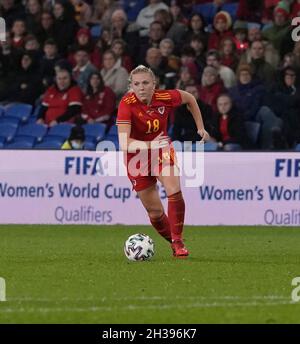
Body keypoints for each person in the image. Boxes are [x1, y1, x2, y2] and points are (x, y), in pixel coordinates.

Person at [116, 65, 210, 258]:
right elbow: (124, 143)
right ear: (131, 86)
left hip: (161, 151)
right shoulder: (126, 104)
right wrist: (150, 145)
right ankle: (173, 241)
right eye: (136, 84)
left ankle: (178, 241)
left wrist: (200, 127)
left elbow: (190, 99)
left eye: (145, 83)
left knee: (173, 187)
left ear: (154, 84)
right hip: (137, 157)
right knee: (155, 213)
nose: (141, 87)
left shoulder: (165, 97)